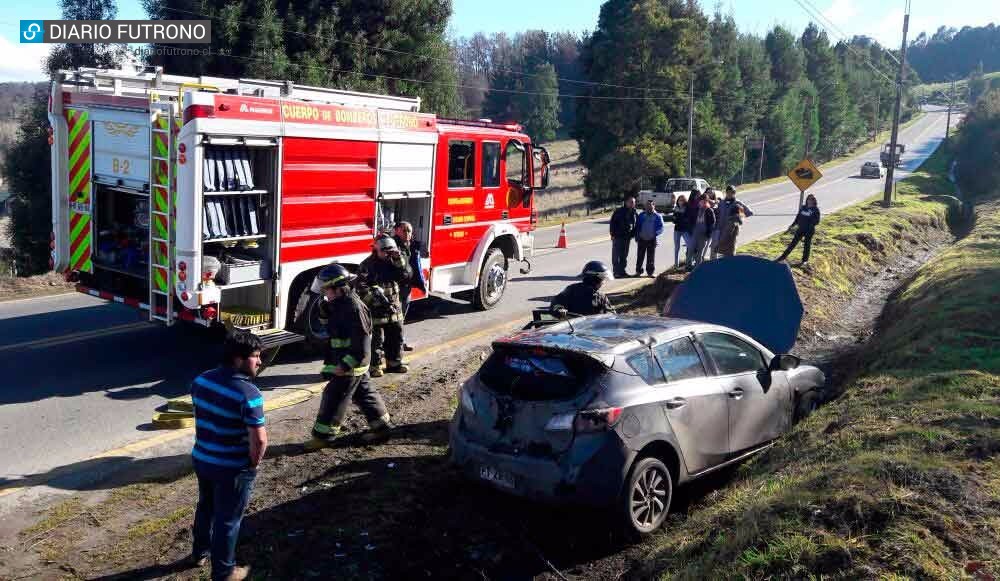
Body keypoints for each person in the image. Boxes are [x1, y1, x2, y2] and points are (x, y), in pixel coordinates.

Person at [189, 331, 267, 581]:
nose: (260, 362)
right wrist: (252, 465)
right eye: (256, 357)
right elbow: (260, 440)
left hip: (202, 458)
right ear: (238, 359)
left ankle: (199, 553)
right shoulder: (248, 394)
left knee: (206, 507)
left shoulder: (201, 380)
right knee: (228, 520)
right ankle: (224, 572)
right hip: (232, 467)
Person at [306, 264, 392, 449]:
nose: (324, 293)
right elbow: (331, 327)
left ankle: (323, 436)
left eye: (326, 290)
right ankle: (382, 427)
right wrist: (324, 310)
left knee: (334, 396)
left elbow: (361, 343)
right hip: (349, 361)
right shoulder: (339, 304)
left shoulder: (354, 308)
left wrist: (345, 365)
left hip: (352, 363)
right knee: (364, 394)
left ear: (338, 288)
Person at [357, 235, 412, 377]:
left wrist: (398, 258)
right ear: (376, 250)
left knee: (396, 337)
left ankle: (395, 363)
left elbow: (405, 274)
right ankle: (374, 366)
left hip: (394, 307)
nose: (387, 254)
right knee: (376, 340)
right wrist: (375, 301)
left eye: (390, 251)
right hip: (376, 310)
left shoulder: (394, 262)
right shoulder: (367, 265)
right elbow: (361, 287)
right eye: (384, 251)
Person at [392, 221, 426, 352]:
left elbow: (415, 266)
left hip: (406, 287)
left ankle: (400, 342)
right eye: (404, 230)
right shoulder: (393, 246)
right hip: (395, 288)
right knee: (394, 317)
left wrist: (421, 283)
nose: (407, 233)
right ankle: (393, 344)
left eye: (409, 231)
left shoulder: (411, 246)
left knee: (402, 317)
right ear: (397, 231)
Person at [551, 260, 615, 316]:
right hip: (573, 327)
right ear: (595, 279)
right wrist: (559, 309)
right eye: (602, 279)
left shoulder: (601, 297)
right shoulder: (572, 290)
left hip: (593, 328)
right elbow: (556, 302)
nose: (603, 282)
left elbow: (610, 314)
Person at [777, 194, 821, 266]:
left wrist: (809, 225)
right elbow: (797, 218)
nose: (809, 201)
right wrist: (792, 225)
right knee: (792, 244)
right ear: (806, 200)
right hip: (800, 229)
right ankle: (782, 258)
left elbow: (817, 221)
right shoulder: (803, 208)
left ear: (814, 201)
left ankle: (804, 261)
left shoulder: (815, 210)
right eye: (808, 199)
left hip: (809, 230)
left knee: (807, 245)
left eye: (811, 199)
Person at [712, 185, 754, 260]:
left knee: (729, 251)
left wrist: (738, 217)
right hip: (719, 229)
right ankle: (714, 266)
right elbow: (717, 213)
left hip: (731, 231)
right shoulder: (721, 203)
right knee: (715, 248)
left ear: (734, 193)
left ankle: (729, 267)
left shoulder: (737, 203)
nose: (730, 194)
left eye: (732, 192)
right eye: (728, 192)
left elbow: (749, 212)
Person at [609, 196, 638, 278]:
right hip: (618, 236)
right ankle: (616, 272)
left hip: (627, 237)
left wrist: (634, 234)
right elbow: (612, 223)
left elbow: (635, 225)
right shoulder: (619, 211)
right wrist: (612, 234)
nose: (633, 204)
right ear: (626, 202)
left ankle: (622, 271)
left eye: (634, 202)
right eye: (631, 202)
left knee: (624, 256)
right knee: (616, 256)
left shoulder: (634, 212)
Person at [634, 199, 664, 277]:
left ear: (654, 206)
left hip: (652, 239)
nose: (649, 206)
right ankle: (638, 271)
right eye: (647, 205)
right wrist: (637, 236)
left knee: (651, 257)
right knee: (640, 256)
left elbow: (661, 227)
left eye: (650, 205)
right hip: (642, 239)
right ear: (645, 206)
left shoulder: (657, 216)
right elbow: (637, 226)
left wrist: (655, 234)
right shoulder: (641, 215)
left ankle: (650, 273)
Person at [686, 193, 716, 269]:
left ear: (707, 201)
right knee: (690, 249)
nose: (702, 202)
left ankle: (697, 267)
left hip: (703, 234)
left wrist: (708, 234)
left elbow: (712, 223)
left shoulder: (709, 210)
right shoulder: (695, 209)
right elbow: (690, 220)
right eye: (701, 201)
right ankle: (688, 265)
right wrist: (690, 230)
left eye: (705, 201)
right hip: (695, 232)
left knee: (700, 250)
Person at [663, 194, 692, 269]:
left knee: (689, 245)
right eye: (679, 200)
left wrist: (679, 218)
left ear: (685, 201)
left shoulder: (687, 208)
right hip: (677, 230)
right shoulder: (676, 208)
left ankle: (688, 262)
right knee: (677, 248)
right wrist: (676, 219)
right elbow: (674, 219)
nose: (680, 202)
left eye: (682, 200)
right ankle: (676, 264)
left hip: (684, 230)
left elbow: (686, 219)